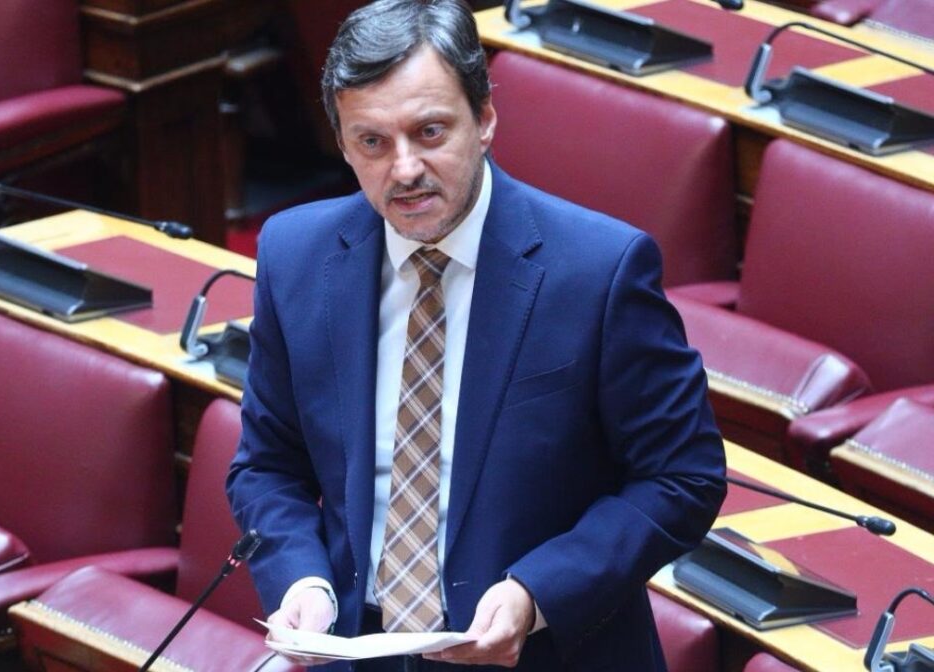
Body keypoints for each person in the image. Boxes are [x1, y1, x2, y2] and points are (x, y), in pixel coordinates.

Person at [226, 1, 726, 669]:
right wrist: (303, 581)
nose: (405, 169)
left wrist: (537, 592)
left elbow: (682, 476)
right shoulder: (296, 255)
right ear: (342, 143)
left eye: (430, 131)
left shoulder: (599, 271)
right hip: (356, 650)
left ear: (484, 118)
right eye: (372, 142)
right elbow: (267, 465)